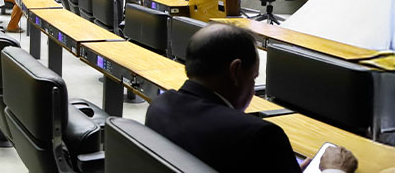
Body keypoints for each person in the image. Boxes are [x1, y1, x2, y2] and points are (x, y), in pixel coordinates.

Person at [146, 24, 359, 173]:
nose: (253, 87)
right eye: (254, 78)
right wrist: (334, 170)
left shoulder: (159, 106)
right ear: (235, 71)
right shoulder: (259, 136)